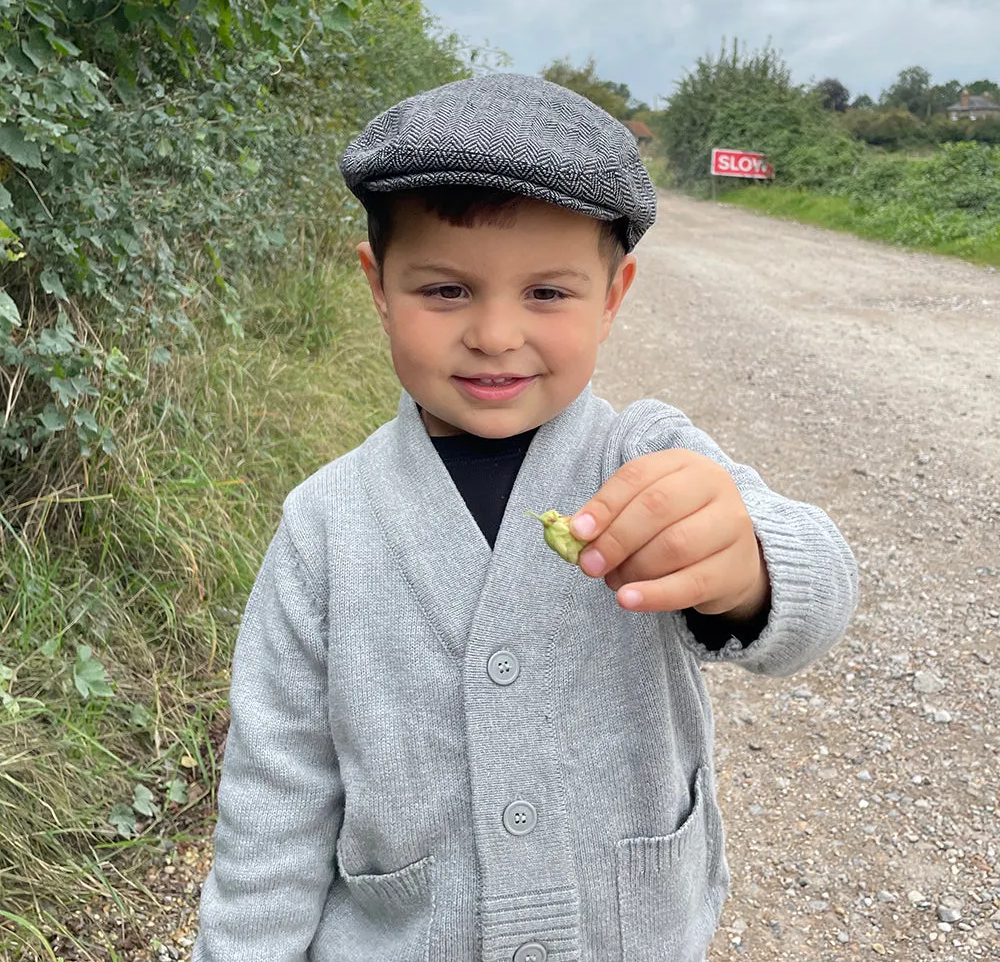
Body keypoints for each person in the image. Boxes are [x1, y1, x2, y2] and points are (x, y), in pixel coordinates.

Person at [192, 73, 859, 962]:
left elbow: (818, 595)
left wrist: (749, 567)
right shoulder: (325, 526)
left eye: (547, 293)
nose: (497, 334)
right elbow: (275, 799)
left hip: (629, 935)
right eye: (445, 291)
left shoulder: (645, 455)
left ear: (614, 295)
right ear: (378, 285)